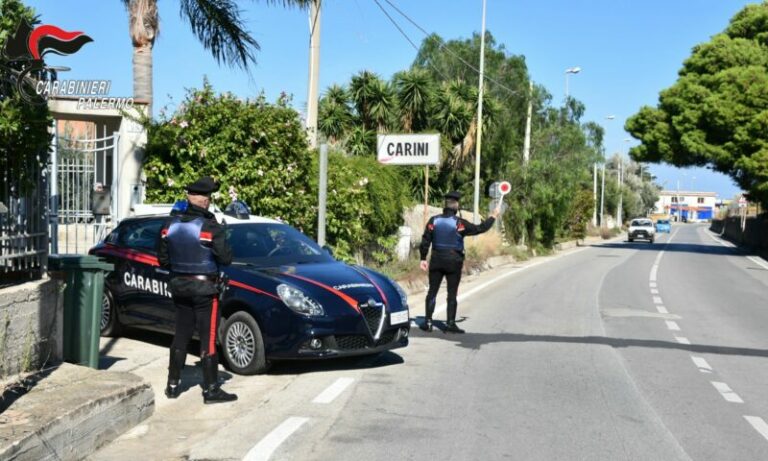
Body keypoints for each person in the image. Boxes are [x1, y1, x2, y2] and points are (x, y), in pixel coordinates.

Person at [157, 176, 237, 404]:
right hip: (205, 290)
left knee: (180, 334)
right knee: (208, 337)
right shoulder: (211, 227)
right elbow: (226, 258)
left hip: (179, 288)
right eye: (208, 198)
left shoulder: (169, 226)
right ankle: (211, 390)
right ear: (205, 201)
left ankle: (172, 385)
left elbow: (163, 260)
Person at [419, 191, 499, 333]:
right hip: (454, 262)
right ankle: (450, 324)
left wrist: (423, 258)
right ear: (456, 206)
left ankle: (428, 322)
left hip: (436, 260)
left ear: (445, 205)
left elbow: (425, 240)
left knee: (432, 291)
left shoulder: (433, 220)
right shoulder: (460, 223)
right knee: (452, 293)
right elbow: (480, 228)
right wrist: (493, 216)